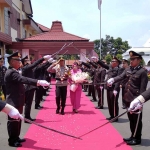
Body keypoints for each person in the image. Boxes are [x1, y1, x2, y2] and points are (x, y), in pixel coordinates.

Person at [5, 51, 50, 147]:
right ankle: (12, 140)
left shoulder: (15, 71)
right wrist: (38, 81)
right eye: (17, 60)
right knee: (13, 122)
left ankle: (16, 137)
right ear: (12, 62)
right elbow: (23, 79)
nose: (20, 62)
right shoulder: (11, 72)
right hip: (13, 101)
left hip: (18, 100)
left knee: (18, 120)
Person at [107, 51, 148, 145]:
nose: (131, 61)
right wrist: (113, 79)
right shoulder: (128, 69)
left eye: (133, 59)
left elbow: (142, 89)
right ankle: (132, 135)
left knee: (137, 119)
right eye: (131, 59)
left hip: (136, 99)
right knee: (131, 118)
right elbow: (121, 77)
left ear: (139, 60)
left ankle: (137, 138)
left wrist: (140, 102)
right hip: (128, 98)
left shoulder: (142, 72)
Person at [21, 55, 51, 122]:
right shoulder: (26, 67)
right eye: (27, 60)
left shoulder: (27, 67)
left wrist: (48, 62)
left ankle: (28, 116)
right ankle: (27, 118)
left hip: (30, 86)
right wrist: (43, 58)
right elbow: (35, 64)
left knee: (29, 103)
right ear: (25, 62)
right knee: (28, 103)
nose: (29, 61)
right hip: (28, 87)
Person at [97, 56, 123, 121]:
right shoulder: (110, 67)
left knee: (114, 102)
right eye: (112, 61)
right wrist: (97, 60)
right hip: (108, 87)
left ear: (117, 63)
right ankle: (111, 115)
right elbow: (103, 65)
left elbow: (119, 79)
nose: (111, 62)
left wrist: (116, 89)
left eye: (113, 61)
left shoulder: (119, 69)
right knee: (109, 102)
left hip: (114, 88)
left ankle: (115, 116)